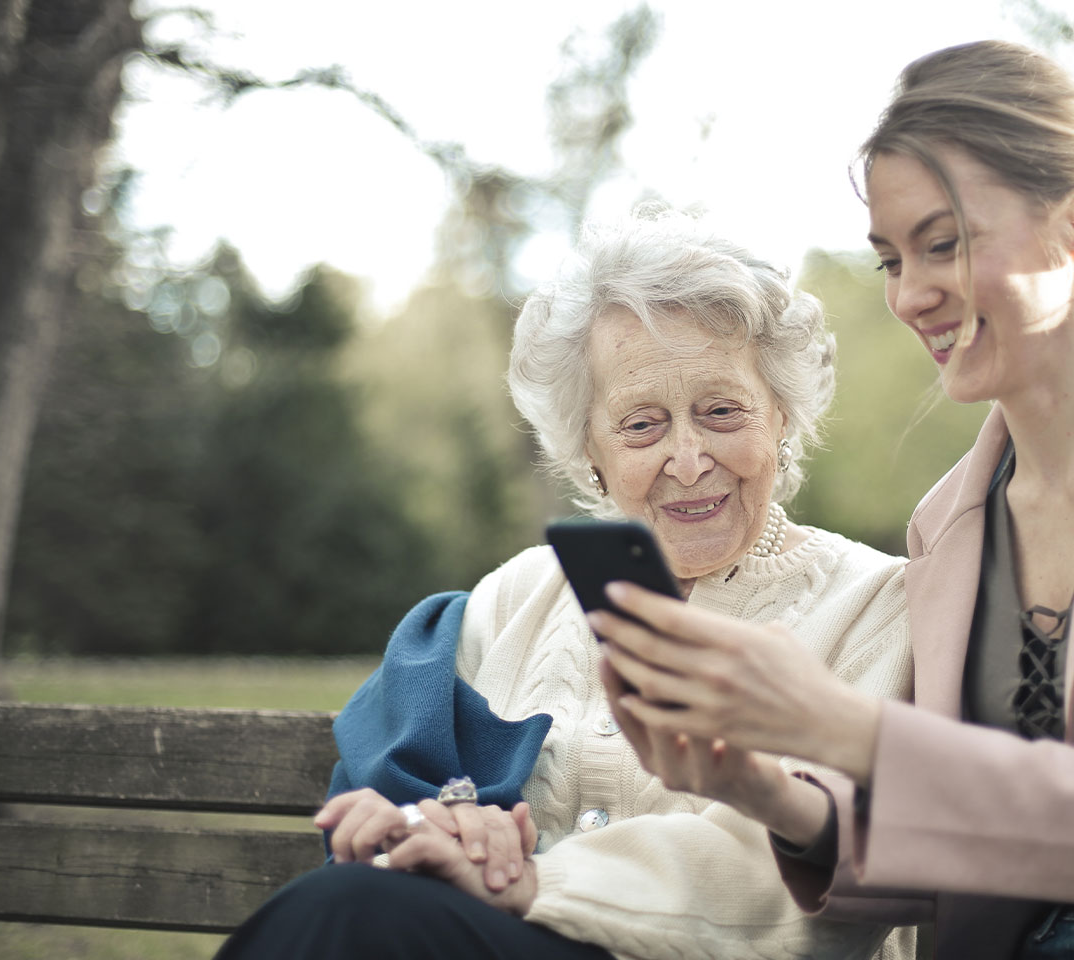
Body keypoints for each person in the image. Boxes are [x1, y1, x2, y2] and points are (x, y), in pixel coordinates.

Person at [592, 40, 1074, 959]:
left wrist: (844, 725)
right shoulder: (948, 522)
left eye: (944, 245)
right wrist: (773, 792)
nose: (910, 296)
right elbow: (971, 851)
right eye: (890, 260)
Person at [213, 211, 917, 960]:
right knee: (348, 907)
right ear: (589, 449)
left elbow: (817, 884)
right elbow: (420, 798)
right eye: (642, 425)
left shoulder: (877, 607)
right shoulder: (511, 600)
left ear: (781, 415)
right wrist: (454, 827)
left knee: (343, 914)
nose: (687, 458)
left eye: (721, 411)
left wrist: (539, 883)